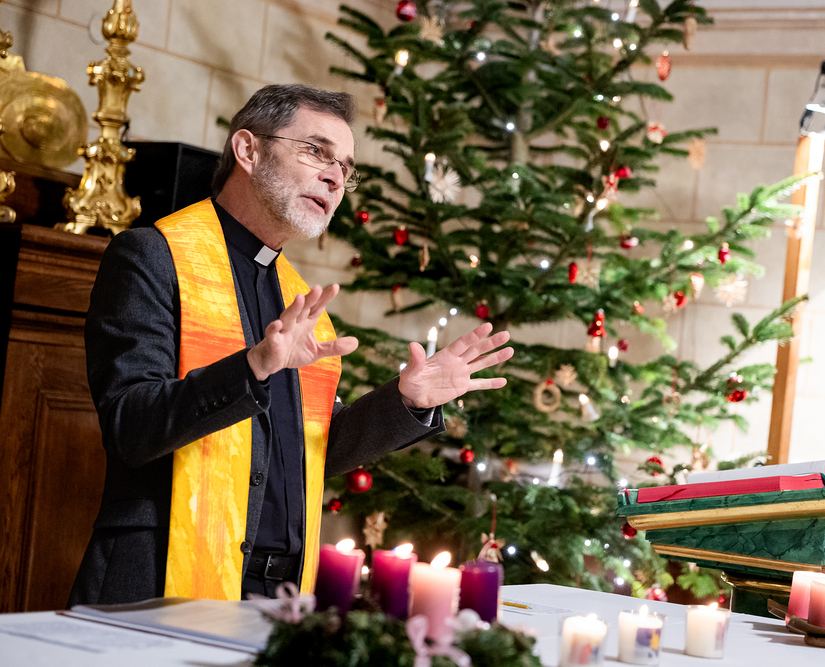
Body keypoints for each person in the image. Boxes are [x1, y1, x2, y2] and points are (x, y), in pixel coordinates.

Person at [69, 84, 513, 606]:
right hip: (156, 577)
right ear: (248, 150)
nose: (335, 177)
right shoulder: (153, 258)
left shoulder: (298, 297)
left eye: (345, 168)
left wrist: (405, 401)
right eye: (316, 151)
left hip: (280, 594)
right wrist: (253, 367)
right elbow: (130, 426)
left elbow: (312, 448)